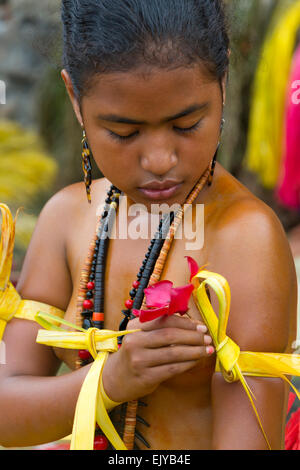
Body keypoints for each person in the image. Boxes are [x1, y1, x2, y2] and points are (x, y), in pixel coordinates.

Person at [0, 0, 297, 450]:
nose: (160, 160)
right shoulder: (67, 218)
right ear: (75, 100)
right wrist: (111, 380)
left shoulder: (246, 238)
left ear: (223, 81)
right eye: (124, 132)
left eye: (186, 124)